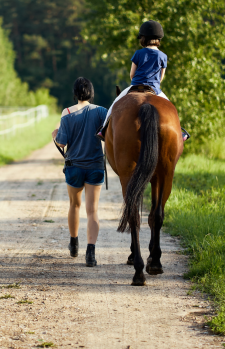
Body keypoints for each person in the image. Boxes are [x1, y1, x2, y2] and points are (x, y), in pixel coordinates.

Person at [100, 20, 190, 141]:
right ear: (159, 39)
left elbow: (132, 74)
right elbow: (161, 77)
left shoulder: (138, 53)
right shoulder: (163, 56)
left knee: (115, 103)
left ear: (143, 39)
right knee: (171, 109)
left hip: (135, 86)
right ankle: (179, 132)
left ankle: (103, 129)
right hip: (154, 89)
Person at [52, 77, 107, 267]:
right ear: (91, 92)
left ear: (75, 93)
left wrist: (54, 134)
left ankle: (74, 243)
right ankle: (90, 254)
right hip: (95, 166)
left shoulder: (66, 113)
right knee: (92, 211)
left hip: (74, 166)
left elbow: (61, 142)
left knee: (74, 205)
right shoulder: (101, 111)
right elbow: (107, 135)